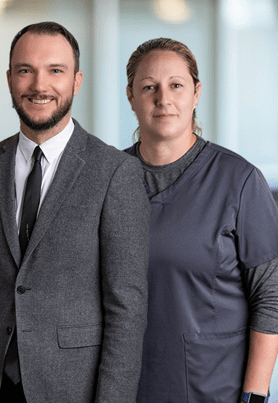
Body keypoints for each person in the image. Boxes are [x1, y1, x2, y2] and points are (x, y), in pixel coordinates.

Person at [0, 21, 150, 403]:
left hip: (73, 385)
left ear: (77, 81)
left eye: (55, 70)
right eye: (26, 70)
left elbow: (126, 307)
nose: (39, 85)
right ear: (9, 79)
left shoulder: (115, 172)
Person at [124, 38, 278, 403]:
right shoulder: (109, 179)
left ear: (196, 92)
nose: (163, 98)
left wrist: (254, 396)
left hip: (213, 388)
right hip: (124, 387)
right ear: (130, 96)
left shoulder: (239, 181)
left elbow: (270, 297)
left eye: (176, 85)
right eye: (149, 87)